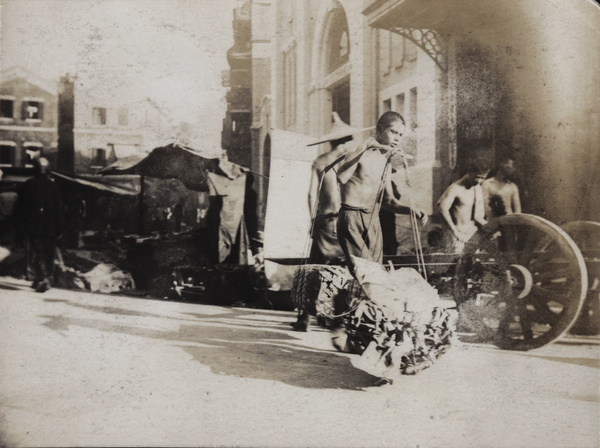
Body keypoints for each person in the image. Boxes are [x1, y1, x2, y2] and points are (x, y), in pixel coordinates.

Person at [292, 112, 373, 331]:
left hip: (325, 222)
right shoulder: (355, 160)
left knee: (315, 269)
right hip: (349, 219)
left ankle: (305, 318)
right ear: (347, 140)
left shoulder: (320, 162)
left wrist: (311, 219)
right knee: (347, 269)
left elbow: (311, 195)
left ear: (331, 141)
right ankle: (338, 318)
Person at [336, 111, 428, 272]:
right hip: (352, 218)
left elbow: (389, 201)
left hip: (373, 220)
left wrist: (411, 210)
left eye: (401, 134)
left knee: (375, 270)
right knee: (365, 271)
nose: (398, 138)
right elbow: (341, 178)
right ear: (379, 129)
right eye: (393, 132)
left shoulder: (385, 161)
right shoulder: (357, 154)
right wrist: (363, 147)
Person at [15, 158, 64, 292]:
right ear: (48, 170)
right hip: (50, 229)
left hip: (32, 227)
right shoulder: (54, 186)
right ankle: (45, 278)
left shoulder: (27, 185)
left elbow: (20, 209)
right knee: (48, 254)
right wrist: (59, 229)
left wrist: (20, 229)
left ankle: (39, 278)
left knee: (35, 254)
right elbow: (58, 210)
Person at [437, 157, 490, 253]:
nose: (479, 181)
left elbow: (477, 216)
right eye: (477, 177)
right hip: (457, 236)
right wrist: (455, 232)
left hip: (473, 235)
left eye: (483, 178)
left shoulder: (477, 188)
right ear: (470, 172)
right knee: (456, 266)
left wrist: (491, 228)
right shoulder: (454, 188)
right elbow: (442, 209)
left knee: (473, 266)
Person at [481, 155, 522, 219]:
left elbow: (518, 211)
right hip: (493, 222)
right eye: (510, 168)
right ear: (502, 166)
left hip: (508, 224)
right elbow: (485, 207)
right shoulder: (487, 184)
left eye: (513, 168)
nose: (512, 171)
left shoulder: (513, 187)